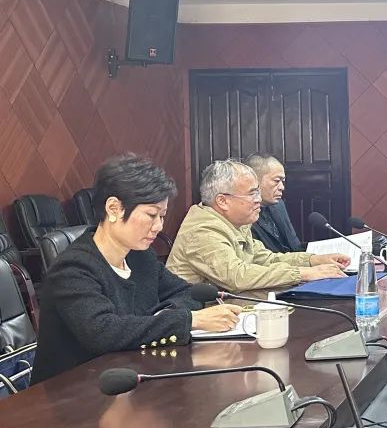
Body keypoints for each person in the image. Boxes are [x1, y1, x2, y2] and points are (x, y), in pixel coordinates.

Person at [30, 155, 242, 384]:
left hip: (133, 375)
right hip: (74, 391)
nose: (158, 226)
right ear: (114, 208)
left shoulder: (140, 256)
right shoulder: (73, 269)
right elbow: (104, 332)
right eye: (151, 215)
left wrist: (162, 318)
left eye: (162, 216)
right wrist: (189, 320)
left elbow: (186, 293)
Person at [167, 160, 348, 295]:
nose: (258, 200)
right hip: (197, 319)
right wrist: (303, 273)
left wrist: (314, 260)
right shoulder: (203, 230)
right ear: (222, 201)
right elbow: (237, 276)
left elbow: (266, 259)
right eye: (252, 194)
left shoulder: (235, 223)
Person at [246, 153, 303, 253]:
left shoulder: (278, 205)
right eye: (276, 181)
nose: (282, 187)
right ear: (254, 180)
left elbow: (294, 244)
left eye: (282, 181)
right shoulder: (241, 213)